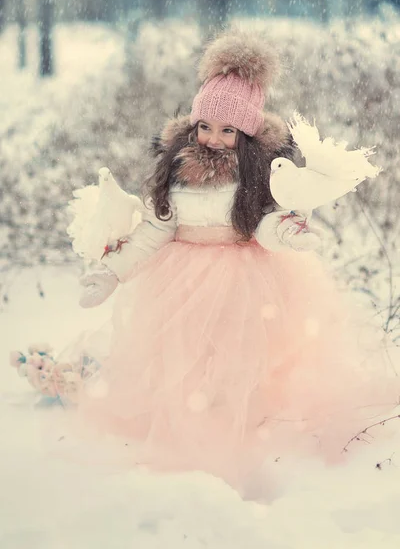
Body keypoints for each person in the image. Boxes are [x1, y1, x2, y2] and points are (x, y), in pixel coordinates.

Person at [12, 28, 399, 497]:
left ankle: (241, 421)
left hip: (245, 278)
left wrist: (289, 234)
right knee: (180, 356)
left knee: (240, 353)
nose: (215, 138)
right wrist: (112, 272)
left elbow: (262, 225)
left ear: (246, 133)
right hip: (180, 278)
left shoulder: (255, 177)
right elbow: (154, 230)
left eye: (228, 130)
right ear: (193, 125)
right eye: (206, 127)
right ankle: (186, 420)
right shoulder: (177, 175)